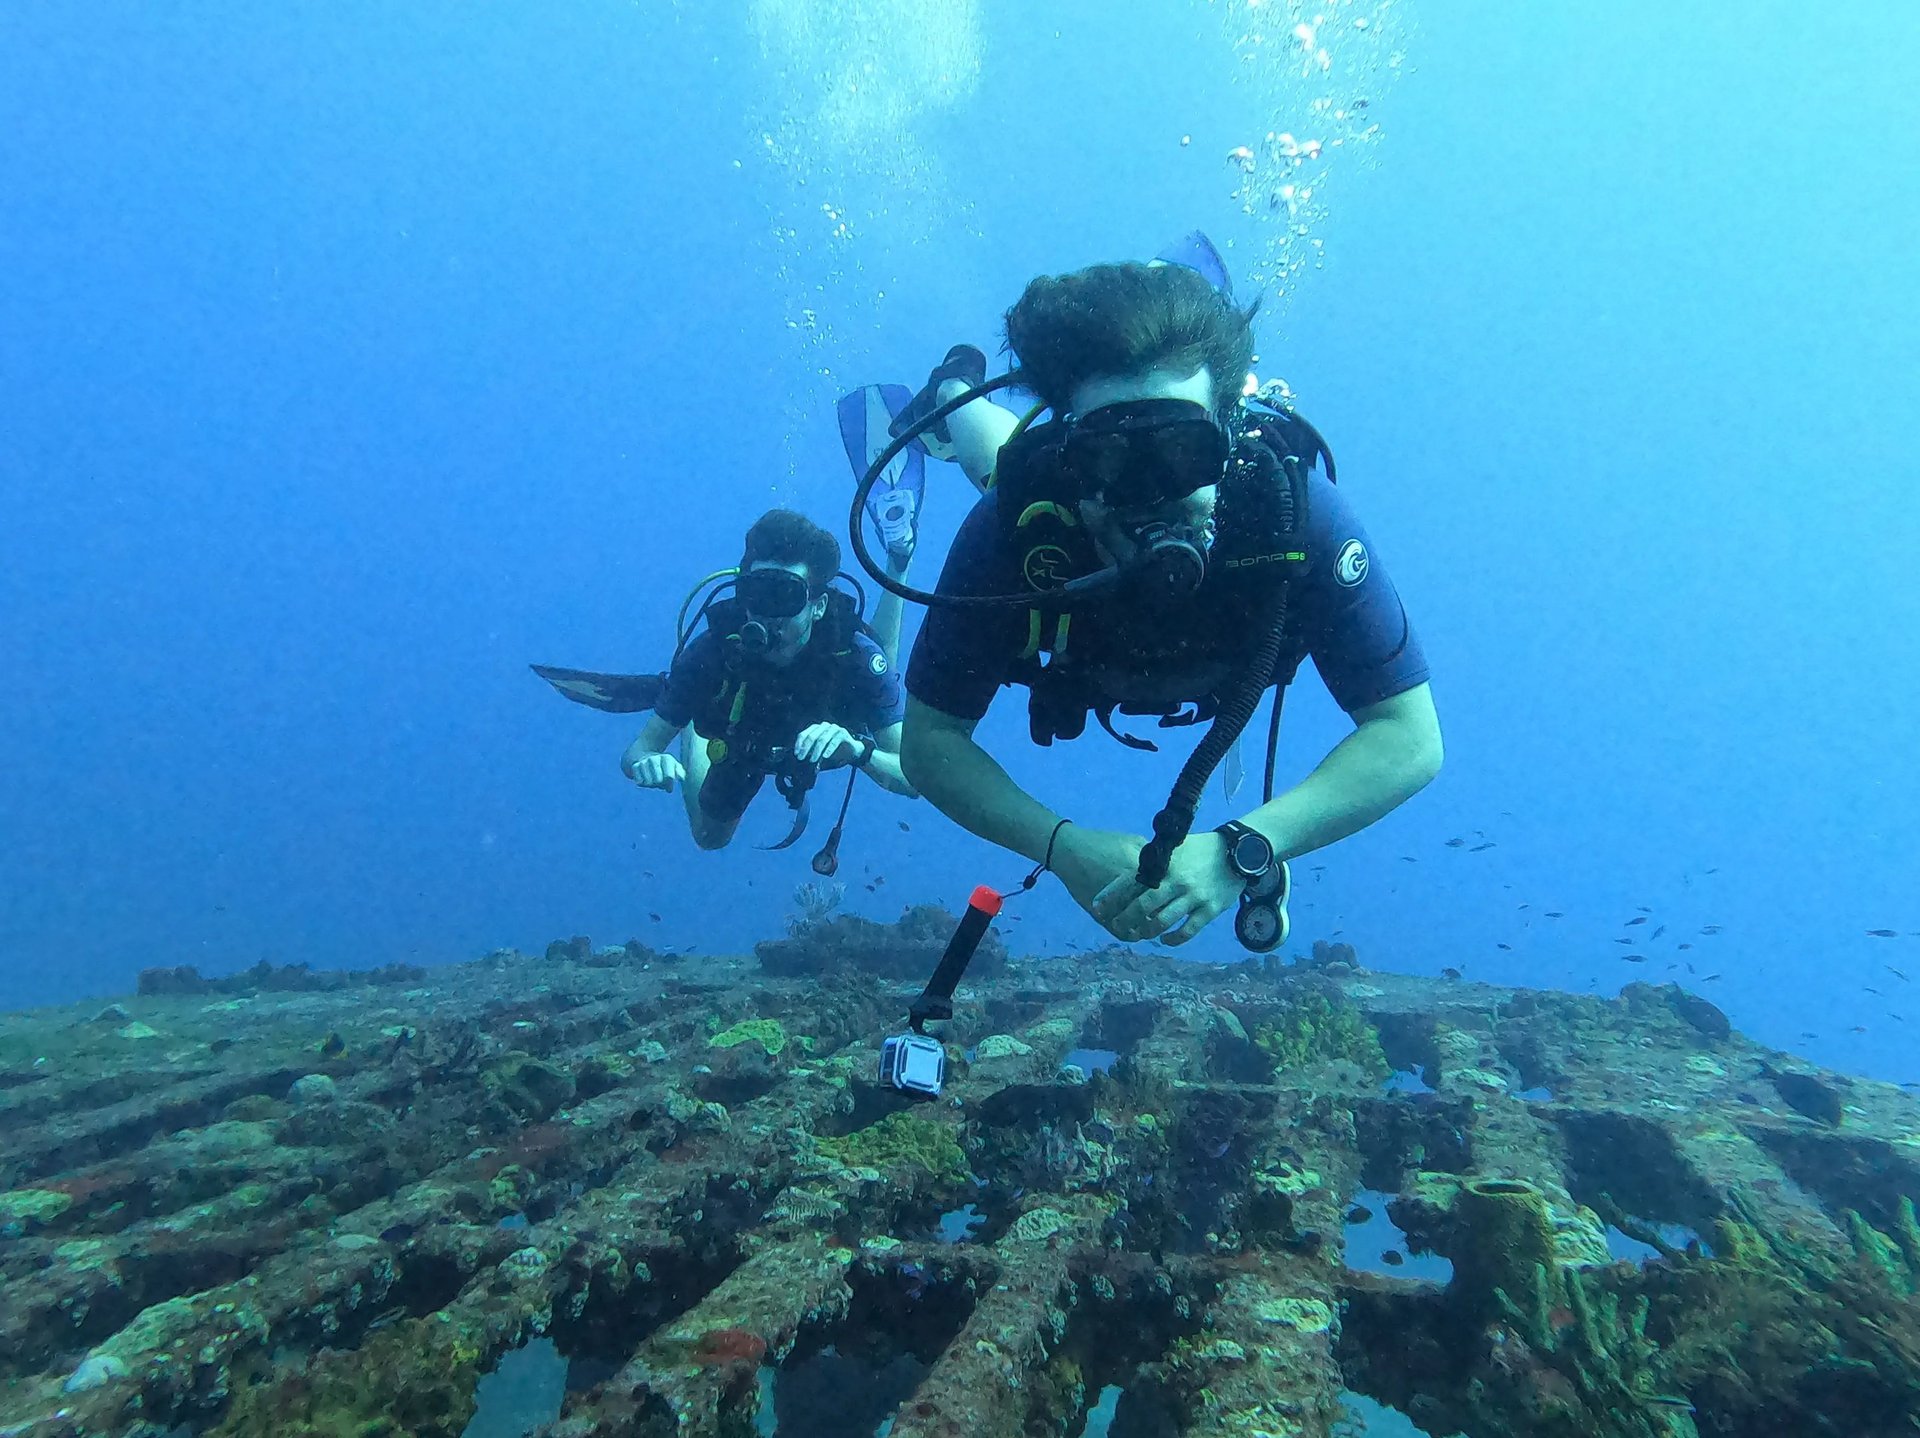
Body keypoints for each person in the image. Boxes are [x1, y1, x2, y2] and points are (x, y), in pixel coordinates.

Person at [892, 257, 1442, 946]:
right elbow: (928, 740)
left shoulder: (1292, 513)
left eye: (1182, 450)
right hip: (1047, 518)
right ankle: (955, 387)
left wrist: (1245, 845)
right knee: (991, 453)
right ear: (1072, 459)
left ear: (1229, 438)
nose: (1151, 491)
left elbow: (1410, 736)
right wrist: (1062, 847)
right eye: (1113, 456)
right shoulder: (1018, 528)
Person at [618, 508, 916, 850]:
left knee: (881, 661)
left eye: (785, 597)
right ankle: (693, 726)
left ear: (818, 606)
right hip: (744, 740)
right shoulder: (713, 654)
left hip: (837, 729)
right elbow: (637, 751)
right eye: (756, 594)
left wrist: (861, 752)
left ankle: (899, 559)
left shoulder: (855, 656)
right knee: (709, 838)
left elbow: (915, 778)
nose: (766, 614)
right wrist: (646, 763)